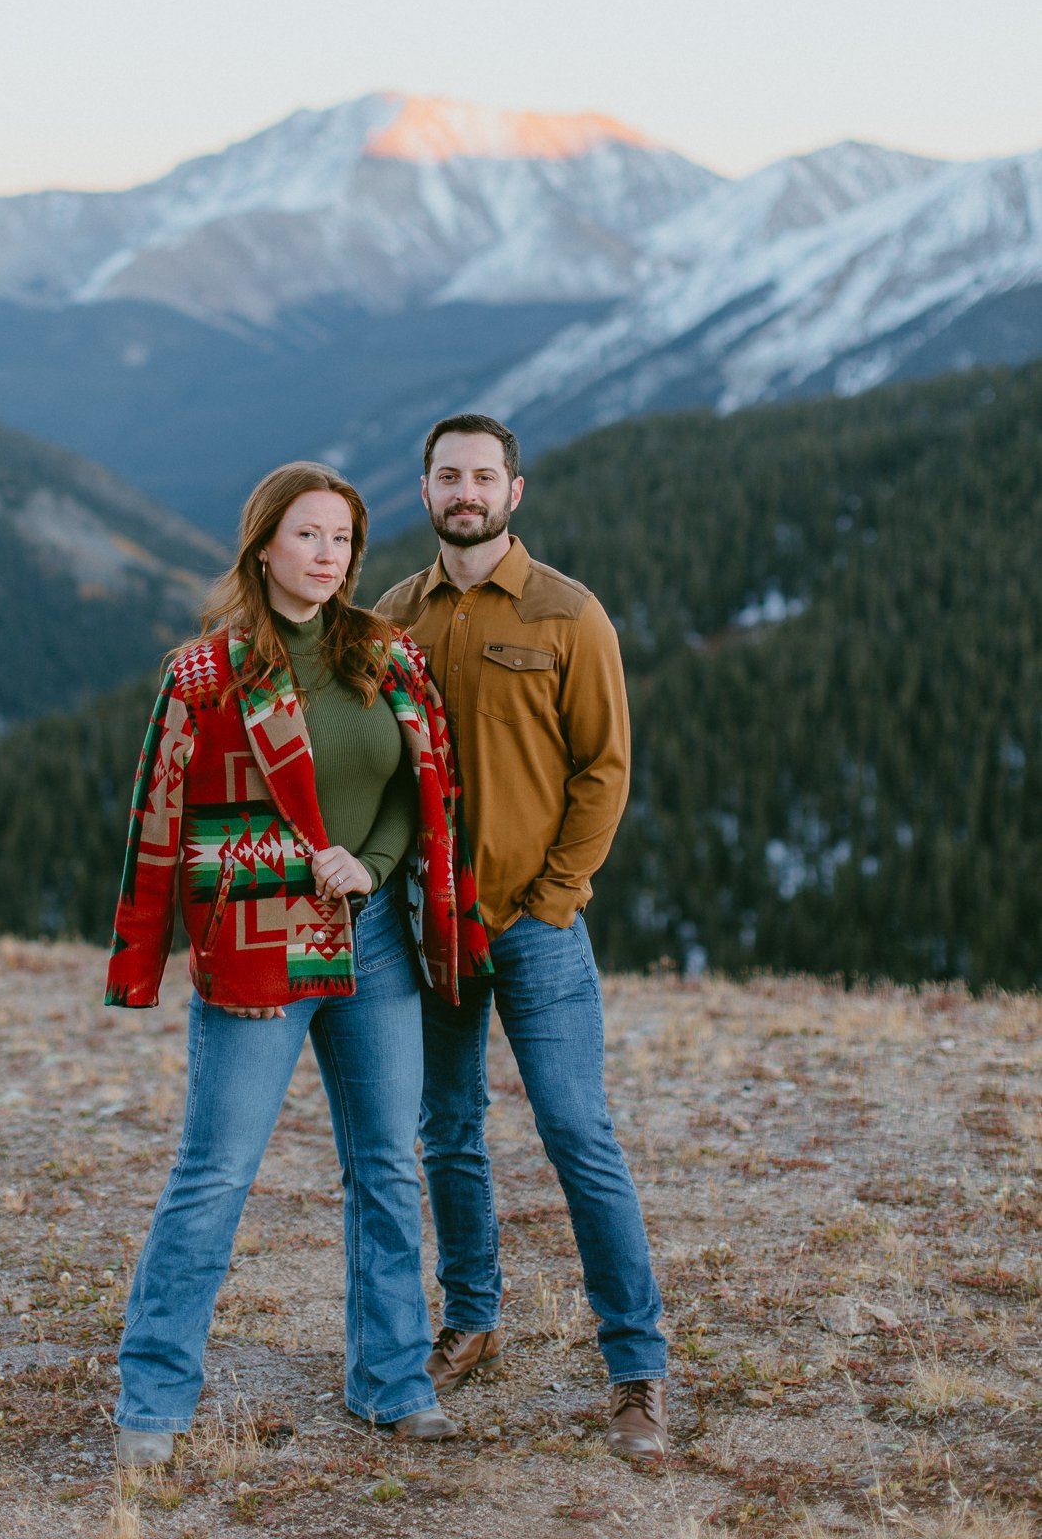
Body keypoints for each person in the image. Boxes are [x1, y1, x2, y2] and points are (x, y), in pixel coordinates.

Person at [104, 460, 491, 1468]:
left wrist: (369, 863)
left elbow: (420, 785)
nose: (327, 556)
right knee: (217, 1169)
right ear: (264, 543)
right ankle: (153, 1394)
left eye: (343, 540)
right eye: (309, 534)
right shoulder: (203, 675)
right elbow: (165, 824)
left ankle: (393, 1382)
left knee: (385, 1165)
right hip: (258, 942)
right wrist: (264, 895)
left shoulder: (385, 655)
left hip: (372, 943)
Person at [376, 413, 669, 1464]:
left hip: (534, 929)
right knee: (445, 1129)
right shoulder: (393, 615)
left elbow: (604, 767)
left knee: (578, 1136)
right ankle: (472, 1316)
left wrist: (555, 894)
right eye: (449, 474)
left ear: (516, 489)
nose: (467, 490)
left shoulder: (567, 613)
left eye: (484, 475)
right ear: (424, 490)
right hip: (431, 929)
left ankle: (636, 1367)